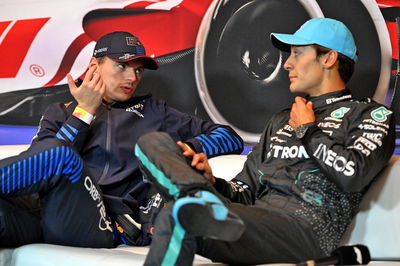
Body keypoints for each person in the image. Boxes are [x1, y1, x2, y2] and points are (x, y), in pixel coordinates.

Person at [135, 18, 396, 265]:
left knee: (178, 213)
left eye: (297, 53)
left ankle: (197, 202)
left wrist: (307, 129)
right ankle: (196, 192)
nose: (286, 64)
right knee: (152, 143)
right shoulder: (281, 120)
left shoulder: (370, 114)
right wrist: (212, 181)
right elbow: (245, 192)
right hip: (252, 221)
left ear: (328, 58)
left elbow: (353, 174)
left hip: (305, 231)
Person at [0, 31, 243, 248]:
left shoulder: (154, 111)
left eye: (138, 70)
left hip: (101, 221)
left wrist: (181, 151)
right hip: (37, 215)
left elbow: (228, 137)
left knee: (61, 155)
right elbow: (35, 168)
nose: (132, 78)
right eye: (122, 67)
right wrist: (84, 112)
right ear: (94, 65)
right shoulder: (60, 111)